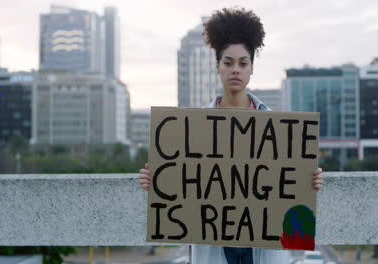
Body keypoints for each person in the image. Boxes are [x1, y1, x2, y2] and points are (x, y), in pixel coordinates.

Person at [138, 7, 325, 264]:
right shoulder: (193, 126)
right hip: (215, 243)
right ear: (218, 67)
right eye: (228, 63)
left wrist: (308, 181)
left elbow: (285, 185)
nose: (235, 69)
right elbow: (187, 181)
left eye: (242, 63)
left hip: (261, 245)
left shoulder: (276, 127)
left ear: (251, 69)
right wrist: (157, 179)